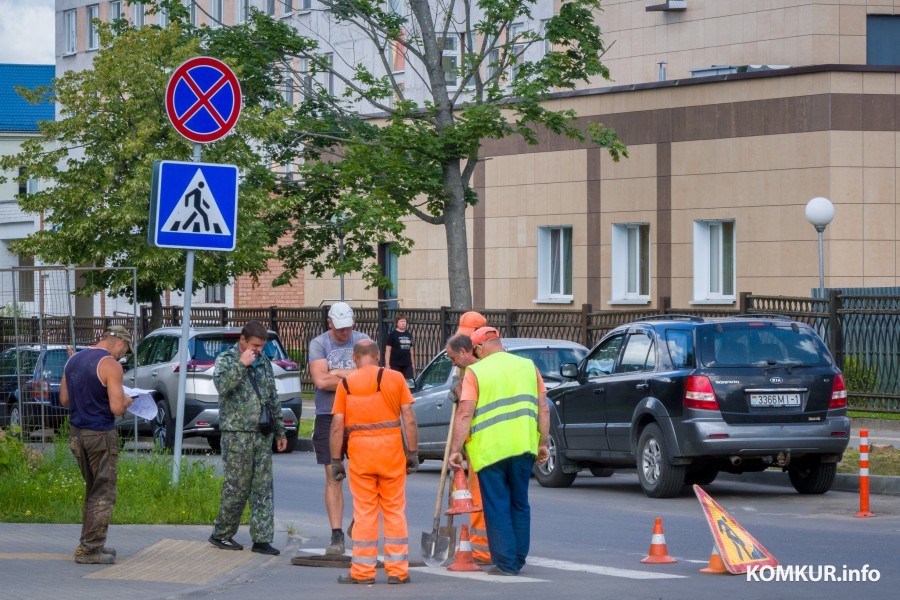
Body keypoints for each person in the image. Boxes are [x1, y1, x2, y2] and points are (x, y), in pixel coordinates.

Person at [448, 326, 550, 576]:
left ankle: (506, 563)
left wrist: (456, 450)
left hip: (491, 452)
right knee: (520, 504)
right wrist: (542, 443)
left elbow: (465, 413)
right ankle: (518, 558)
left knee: (497, 506)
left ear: (479, 348)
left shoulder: (476, 372)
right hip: (524, 448)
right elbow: (543, 408)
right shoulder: (528, 367)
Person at [330, 340, 419, 584]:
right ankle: (397, 572)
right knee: (394, 510)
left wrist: (336, 460)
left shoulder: (346, 384)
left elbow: (337, 426)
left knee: (364, 512)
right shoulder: (396, 379)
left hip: (361, 454)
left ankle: (362, 572)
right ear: (378, 356)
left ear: (354, 359)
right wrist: (412, 453)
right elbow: (409, 418)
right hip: (391, 452)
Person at [209, 320, 287, 556]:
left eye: (262, 346)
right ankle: (222, 534)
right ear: (242, 339)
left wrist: (280, 430)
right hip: (237, 433)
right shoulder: (226, 359)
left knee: (263, 487)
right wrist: (241, 365)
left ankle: (262, 539)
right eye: (255, 345)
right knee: (237, 486)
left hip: (262, 433)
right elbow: (222, 386)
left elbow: (272, 397)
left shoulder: (264, 362)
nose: (258, 350)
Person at [60, 325, 134, 565]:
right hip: (100, 434)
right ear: (120, 341)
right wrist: (127, 400)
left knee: (93, 490)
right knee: (103, 493)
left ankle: (92, 543)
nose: (123, 355)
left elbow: (64, 400)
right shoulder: (111, 365)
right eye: (126, 350)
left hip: (76, 434)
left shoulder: (73, 361)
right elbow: (116, 408)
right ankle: (90, 550)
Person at [308, 301, 370, 554]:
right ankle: (336, 535)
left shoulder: (363, 340)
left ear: (353, 322)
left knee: (365, 474)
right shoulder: (319, 343)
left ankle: (360, 521)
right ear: (329, 323)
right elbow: (321, 381)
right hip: (328, 414)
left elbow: (372, 377)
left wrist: (337, 372)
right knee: (334, 475)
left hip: (360, 415)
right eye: (339, 328)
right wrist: (354, 375)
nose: (344, 332)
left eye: (348, 327)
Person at [445, 314, 491, 565]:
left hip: (482, 441)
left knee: (480, 495)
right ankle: (497, 548)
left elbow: (468, 408)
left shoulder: (481, 367)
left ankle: (483, 550)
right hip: (492, 440)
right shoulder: (486, 362)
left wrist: (458, 388)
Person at [384, 314, 415, 380]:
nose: (403, 323)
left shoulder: (408, 334)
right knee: (396, 381)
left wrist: (412, 364)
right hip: (395, 364)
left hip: (407, 364)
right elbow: (388, 350)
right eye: (401, 321)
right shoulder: (392, 334)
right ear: (397, 323)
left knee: (409, 382)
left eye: (404, 321)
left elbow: (411, 350)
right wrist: (387, 363)